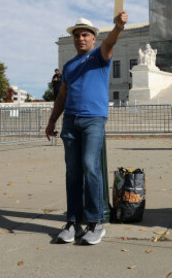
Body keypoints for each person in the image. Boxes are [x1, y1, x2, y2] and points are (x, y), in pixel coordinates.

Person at [45, 13, 128, 245]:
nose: (80, 38)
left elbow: (111, 41)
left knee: (91, 166)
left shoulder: (100, 55)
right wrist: (52, 121)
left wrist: (119, 27)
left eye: (85, 34)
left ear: (93, 38)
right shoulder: (69, 65)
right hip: (70, 120)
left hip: (93, 119)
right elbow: (62, 94)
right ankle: (73, 222)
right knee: (72, 171)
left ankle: (95, 222)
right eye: (77, 35)